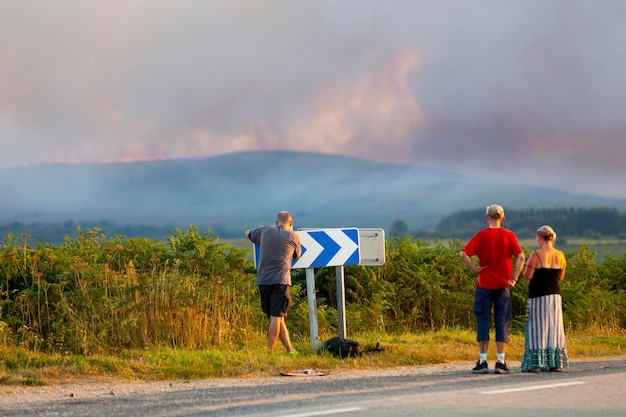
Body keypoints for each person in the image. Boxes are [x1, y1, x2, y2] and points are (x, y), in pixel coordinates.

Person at [460, 204, 525, 374]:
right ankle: (500, 361)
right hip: (503, 285)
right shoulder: (509, 235)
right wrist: (514, 278)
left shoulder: (481, 235)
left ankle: (482, 361)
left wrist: (474, 269)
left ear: (487, 217)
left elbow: (463, 254)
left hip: (484, 285)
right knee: (502, 321)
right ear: (502, 218)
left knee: (483, 320)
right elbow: (521, 256)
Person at [245, 211, 301, 354]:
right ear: (291, 222)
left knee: (276, 317)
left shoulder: (264, 230)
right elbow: (297, 256)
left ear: (276, 222)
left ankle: (290, 350)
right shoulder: (293, 235)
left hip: (263, 280)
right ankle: (270, 352)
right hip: (281, 281)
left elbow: (248, 234)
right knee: (277, 317)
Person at [520, 225, 568, 372]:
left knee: (537, 328)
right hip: (555, 296)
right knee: (555, 328)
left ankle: (536, 363)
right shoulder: (560, 255)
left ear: (540, 238)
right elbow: (560, 276)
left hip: (538, 296)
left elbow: (527, 276)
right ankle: (555, 362)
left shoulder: (535, 255)